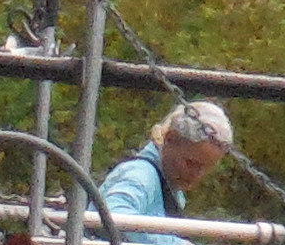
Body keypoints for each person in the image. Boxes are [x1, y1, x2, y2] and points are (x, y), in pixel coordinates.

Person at [95, 95, 237, 232]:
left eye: (205, 168)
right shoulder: (140, 175)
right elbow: (114, 218)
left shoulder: (169, 187)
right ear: (170, 138)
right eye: (191, 163)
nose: (197, 174)